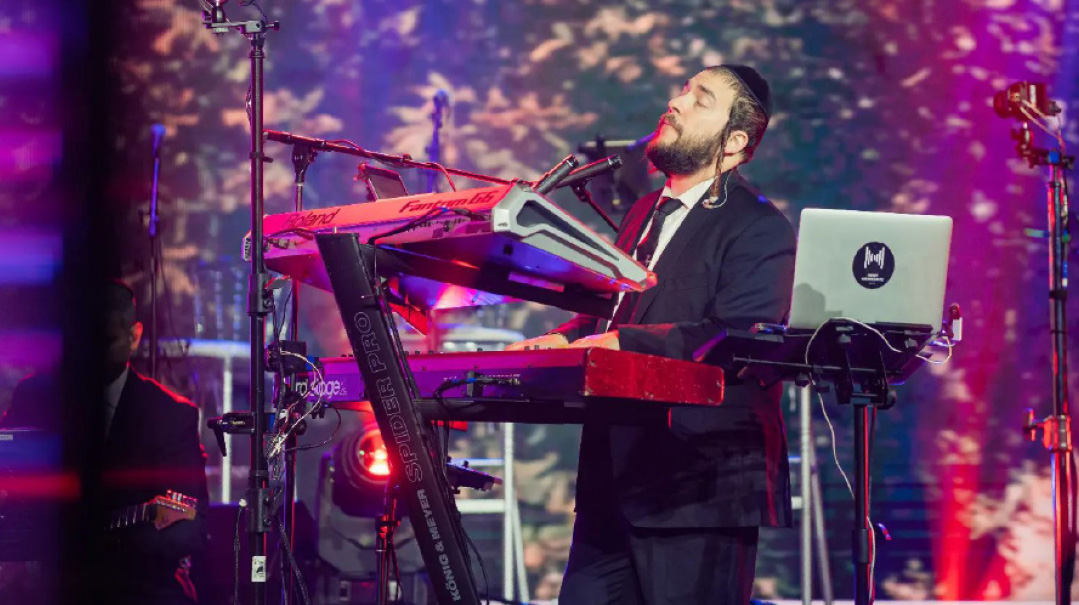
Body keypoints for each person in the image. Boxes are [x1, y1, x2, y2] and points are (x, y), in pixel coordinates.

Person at [508, 65, 796, 604]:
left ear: (734, 142)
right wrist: (565, 340)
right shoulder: (644, 211)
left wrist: (619, 343)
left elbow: (737, 336)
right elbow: (616, 311)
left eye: (700, 99)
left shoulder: (758, 227)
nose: (676, 103)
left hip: (697, 489)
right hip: (614, 481)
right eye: (683, 91)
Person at [2, 280, 209, 604]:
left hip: (138, 587)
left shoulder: (169, 415)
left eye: (105, 341)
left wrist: (108, 543)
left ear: (134, 337)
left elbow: (192, 527)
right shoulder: (33, 395)